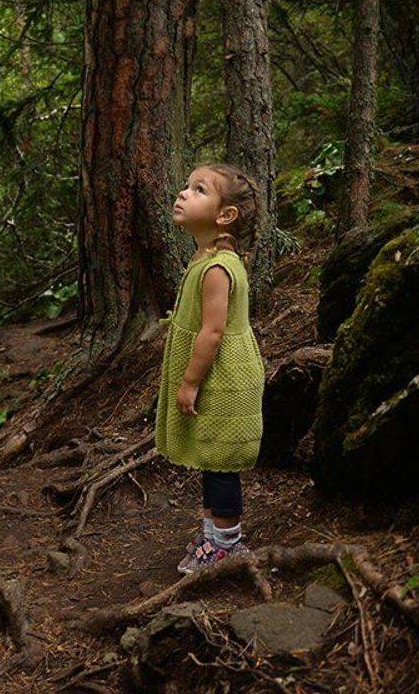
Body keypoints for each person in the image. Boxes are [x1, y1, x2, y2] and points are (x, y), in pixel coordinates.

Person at [155, 162, 266, 574]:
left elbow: (213, 332)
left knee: (221, 463)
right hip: (215, 376)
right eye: (186, 186)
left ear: (225, 215)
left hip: (224, 379)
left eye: (199, 189)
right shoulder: (205, 258)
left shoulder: (218, 268)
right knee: (210, 456)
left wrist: (189, 383)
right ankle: (211, 536)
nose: (183, 193)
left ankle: (227, 544)